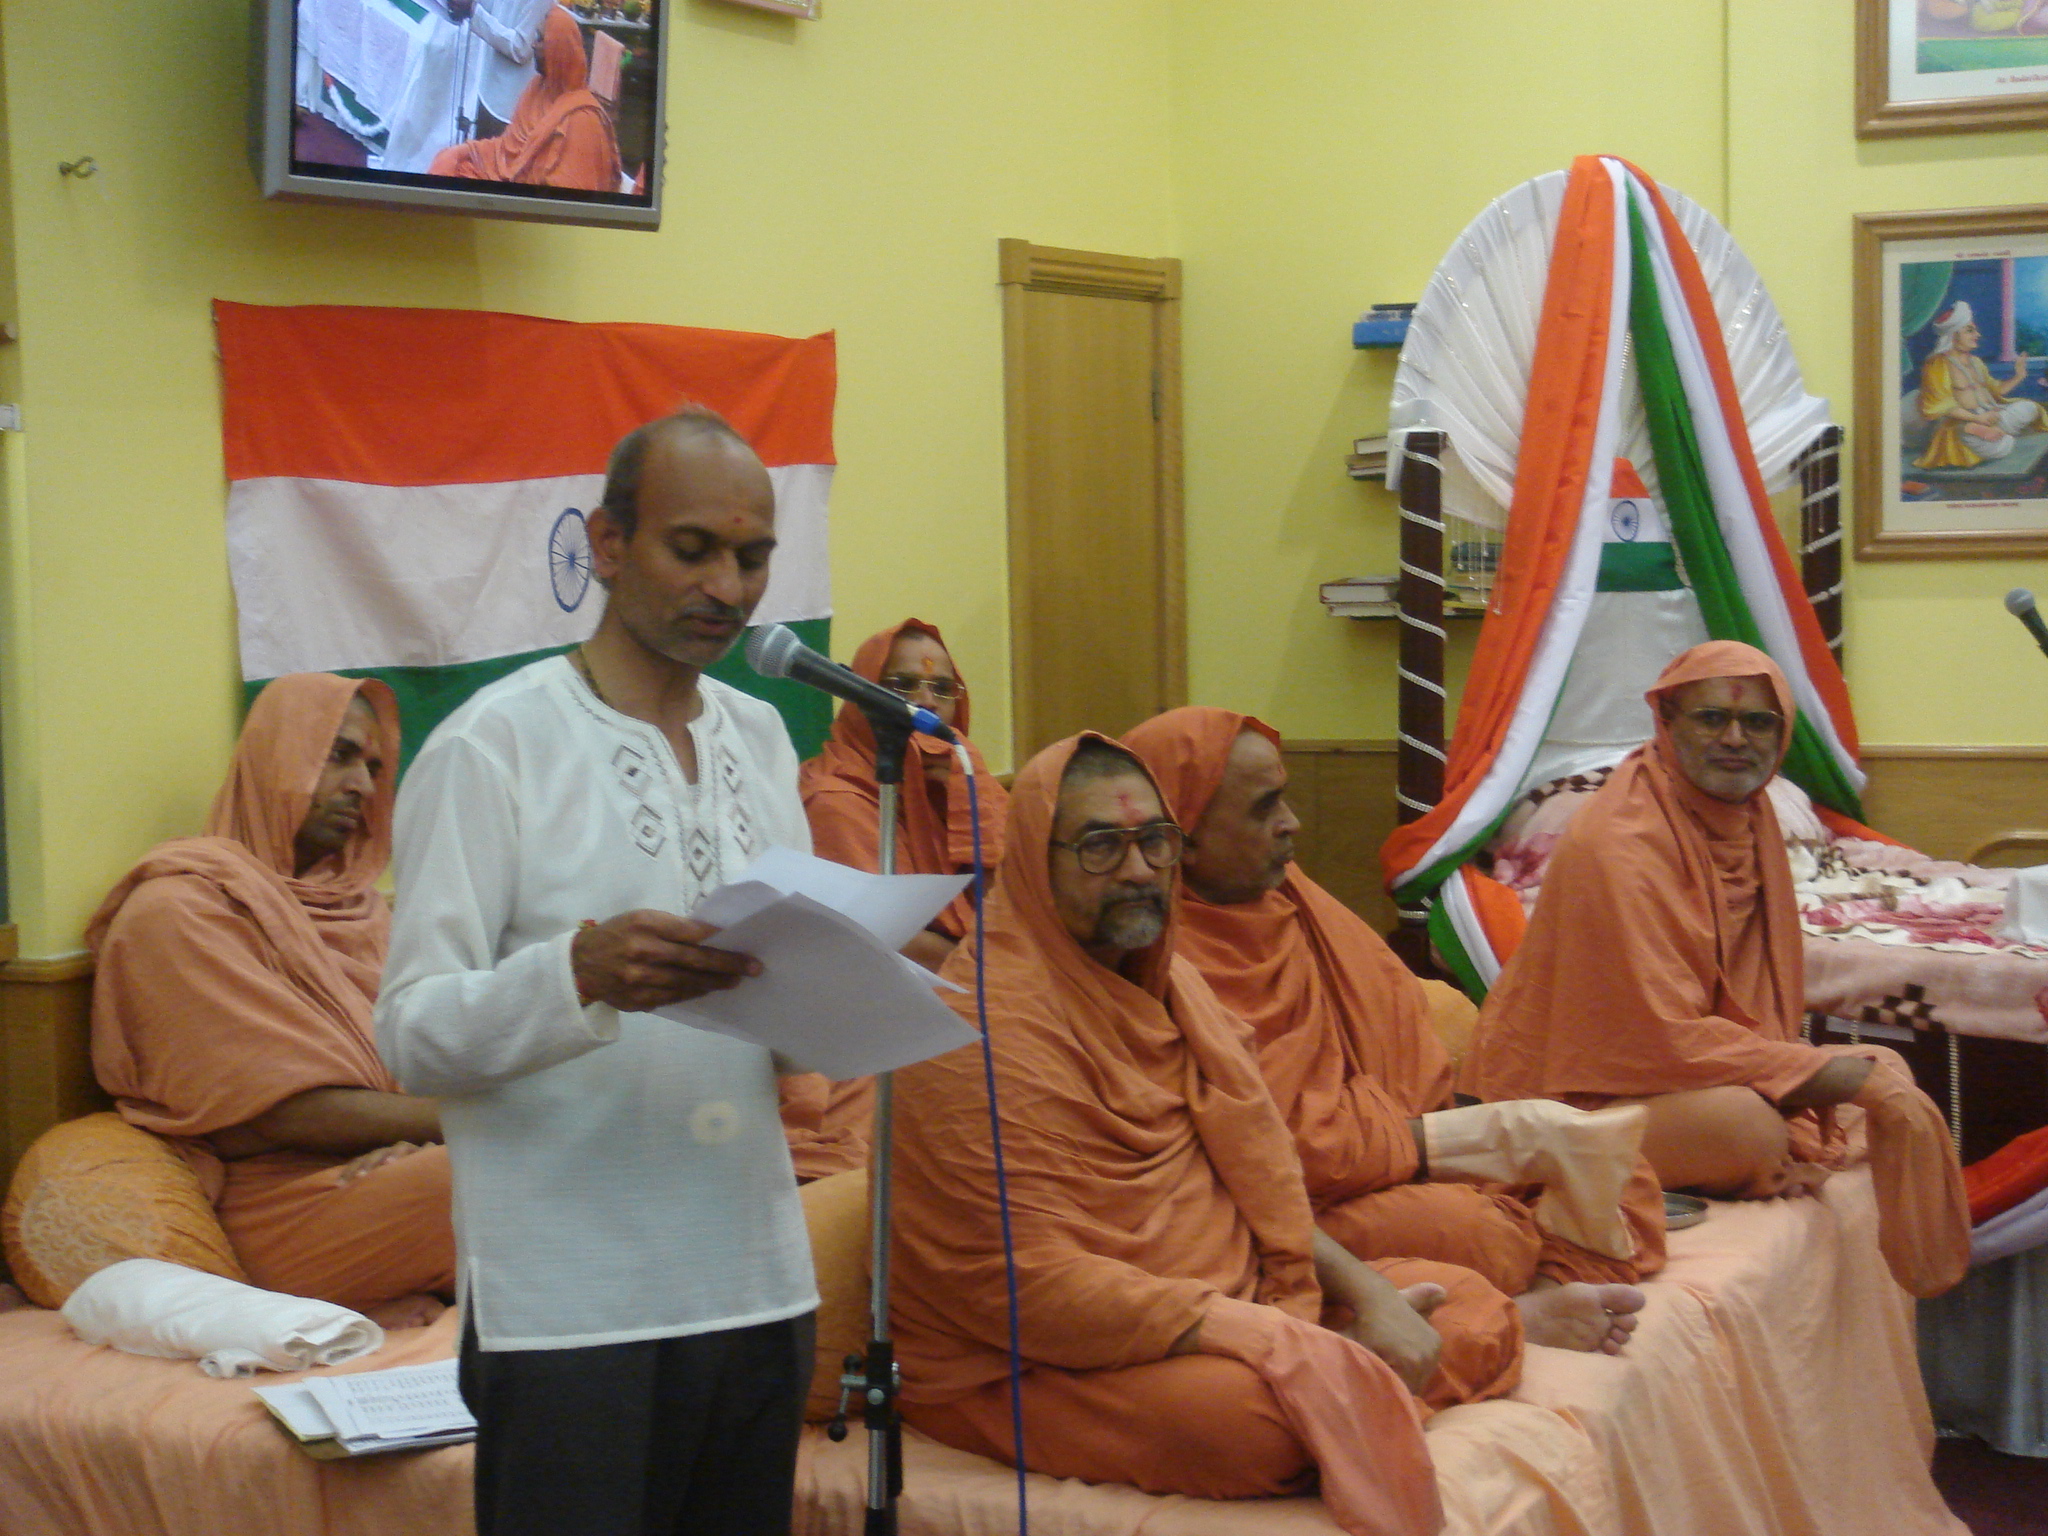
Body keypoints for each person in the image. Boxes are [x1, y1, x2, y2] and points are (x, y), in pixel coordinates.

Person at [376, 406, 817, 1536]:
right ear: (607, 546)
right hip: (567, 1310)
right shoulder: (492, 745)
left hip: (755, 1278)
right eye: (693, 548)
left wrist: (849, 986)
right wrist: (574, 976)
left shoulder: (761, 738)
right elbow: (413, 1032)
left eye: (753, 556)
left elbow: (785, 995)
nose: (727, 584)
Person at [888, 734, 1526, 1511]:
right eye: (1099, 846)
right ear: (1032, 858)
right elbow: (1020, 1288)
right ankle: (1336, 1391)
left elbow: (1252, 1188)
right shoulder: (977, 1025)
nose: (1137, 870)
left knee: (1473, 1308)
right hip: (1032, 1359)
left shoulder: (1172, 984)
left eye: (1155, 842)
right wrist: (1265, 1340)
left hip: (1226, 1304)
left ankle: (1346, 1383)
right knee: (1254, 1428)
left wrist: (1363, 1293)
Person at [1125, 706, 1655, 1350]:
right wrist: (1462, 1140)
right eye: (1264, 809)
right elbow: (1272, 1161)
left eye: (1284, 799)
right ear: (1181, 835)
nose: (1292, 824)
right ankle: (1520, 1307)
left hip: (1389, 1157)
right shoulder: (1152, 955)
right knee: (1475, 1229)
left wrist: (1472, 1137)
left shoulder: (1296, 903)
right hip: (1276, 1214)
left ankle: (1522, 1291)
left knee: (1619, 1173)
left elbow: (1410, 1073)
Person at [1462, 641, 1971, 1298]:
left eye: (1758, 723)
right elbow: (1657, 1036)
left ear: (1782, 735)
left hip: (1669, 1074)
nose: (1736, 739)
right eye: (1711, 720)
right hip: (1570, 1094)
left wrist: (1808, 1072)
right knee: (1750, 1129)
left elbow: (1741, 1015)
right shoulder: (1620, 842)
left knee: (1889, 1074)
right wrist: (1808, 1074)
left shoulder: (1750, 818)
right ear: (1667, 725)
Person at [87, 674, 452, 1314]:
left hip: (379, 1166)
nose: (364, 787)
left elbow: (418, 1066)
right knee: (502, 1172)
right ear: (275, 757)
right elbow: (285, 1111)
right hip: (278, 1203)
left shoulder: (361, 911)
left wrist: (418, 1137)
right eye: (338, 756)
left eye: (372, 766)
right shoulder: (179, 912)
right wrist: (470, 1128)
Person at [784, 619, 1008, 1179]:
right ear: (861, 694)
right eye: (901, 686)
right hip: (872, 1012)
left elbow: (1020, 898)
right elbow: (884, 938)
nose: (923, 702)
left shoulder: (962, 778)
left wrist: (970, 787)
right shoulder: (836, 797)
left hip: (968, 995)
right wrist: (1007, 981)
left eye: (941, 689)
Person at [429, 7, 621, 192]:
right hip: (508, 181)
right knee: (448, 163)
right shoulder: (538, 86)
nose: (533, 45)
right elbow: (507, 149)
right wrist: (465, 151)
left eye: (540, 39)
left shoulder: (583, 119)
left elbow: (570, 199)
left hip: (531, 207)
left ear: (557, 49)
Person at [1913, 299, 2048, 470]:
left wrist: (2019, 376)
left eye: (1975, 330)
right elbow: (1940, 406)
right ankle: (1978, 430)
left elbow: (1997, 390)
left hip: (1994, 415)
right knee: (2004, 446)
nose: (1977, 335)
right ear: (1953, 335)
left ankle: (1995, 431)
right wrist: (1977, 419)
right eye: (1970, 331)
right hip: (1962, 425)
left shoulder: (1976, 362)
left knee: (2030, 408)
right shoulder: (1937, 364)